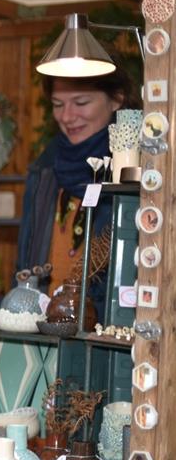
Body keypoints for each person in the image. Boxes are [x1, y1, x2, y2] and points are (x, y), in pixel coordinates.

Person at [18, 63, 140, 318]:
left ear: (117, 99)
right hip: (45, 333)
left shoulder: (137, 173)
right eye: (58, 104)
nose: (67, 116)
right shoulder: (44, 170)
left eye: (81, 102)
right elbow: (25, 264)